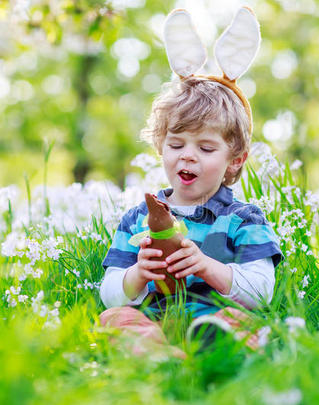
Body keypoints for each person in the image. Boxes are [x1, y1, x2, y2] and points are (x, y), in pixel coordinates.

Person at [98, 6, 282, 355]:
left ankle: (211, 343)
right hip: (154, 320)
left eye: (206, 147)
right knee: (113, 315)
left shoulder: (245, 219)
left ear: (235, 160)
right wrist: (137, 273)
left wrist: (207, 266)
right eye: (177, 144)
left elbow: (261, 291)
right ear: (160, 147)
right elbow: (108, 289)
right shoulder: (137, 219)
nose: (188, 155)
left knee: (243, 319)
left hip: (215, 315)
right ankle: (157, 353)